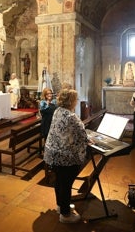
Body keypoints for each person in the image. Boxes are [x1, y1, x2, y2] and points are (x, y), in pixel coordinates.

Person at [43, 88, 88, 224]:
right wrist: (88, 140)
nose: (76, 101)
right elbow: (82, 133)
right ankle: (66, 215)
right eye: (75, 99)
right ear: (71, 101)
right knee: (66, 184)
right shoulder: (71, 116)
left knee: (59, 181)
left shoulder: (57, 111)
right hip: (65, 157)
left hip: (52, 153)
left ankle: (61, 205)